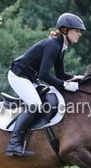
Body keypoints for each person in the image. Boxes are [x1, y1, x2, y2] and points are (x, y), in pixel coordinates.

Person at [6, 12, 86, 157]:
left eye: (79, 32)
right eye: (76, 31)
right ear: (64, 30)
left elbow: (61, 75)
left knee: (47, 99)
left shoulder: (61, 46)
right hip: (18, 76)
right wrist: (65, 85)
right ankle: (14, 144)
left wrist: (78, 78)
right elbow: (44, 75)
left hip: (30, 78)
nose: (79, 34)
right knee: (35, 105)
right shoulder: (53, 45)